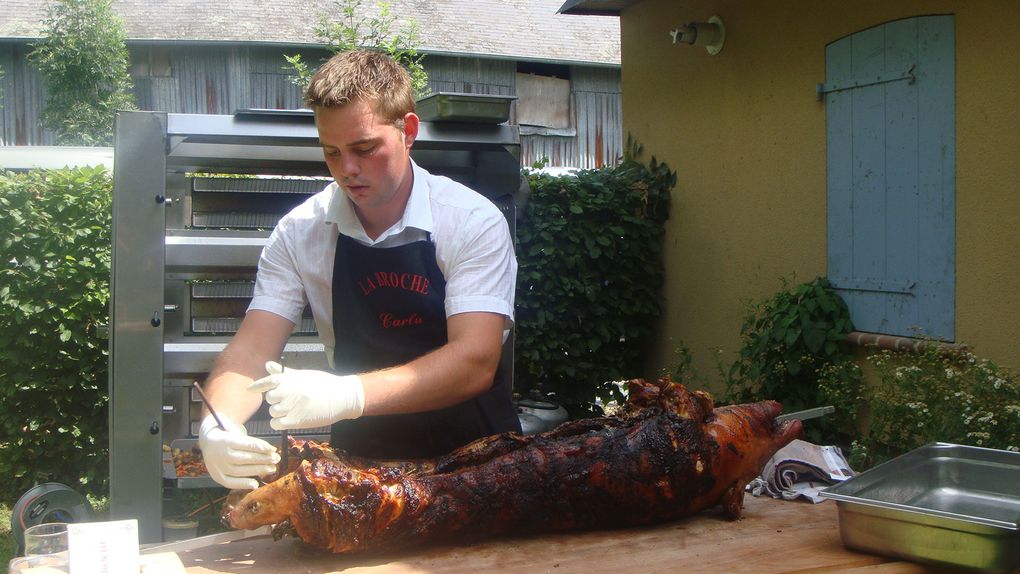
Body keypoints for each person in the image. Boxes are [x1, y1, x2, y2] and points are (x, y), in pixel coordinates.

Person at [198, 49, 521, 490]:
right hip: (363, 458)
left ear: (408, 131)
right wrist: (217, 425)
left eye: (364, 149)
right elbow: (251, 351)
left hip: (478, 460)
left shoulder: (469, 220)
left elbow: (475, 360)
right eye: (331, 152)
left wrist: (346, 394)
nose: (347, 170)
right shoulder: (299, 233)